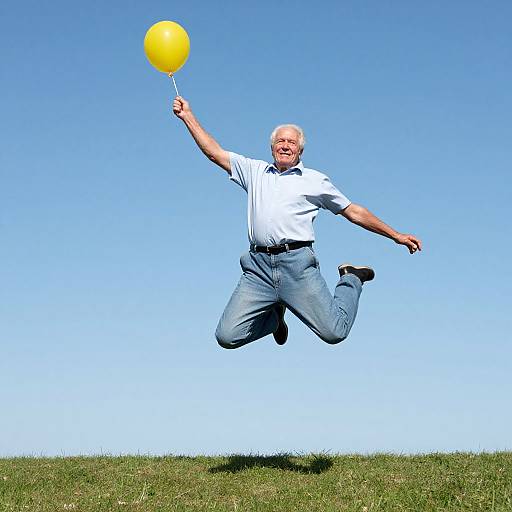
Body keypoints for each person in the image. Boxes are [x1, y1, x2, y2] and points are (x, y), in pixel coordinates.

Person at [172, 96, 422, 349]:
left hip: (297, 266)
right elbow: (214, 153)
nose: (285, 145)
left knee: (335, 332)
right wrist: (188, 117)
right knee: (227, 337)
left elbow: (353, 211)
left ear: (300, 150)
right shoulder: (254, 171)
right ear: (271, 148)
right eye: (280, 141)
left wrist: (395, 235)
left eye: (291, 142)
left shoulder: (315, 180)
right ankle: (274, 319)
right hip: (257, 269)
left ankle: (351, 277)